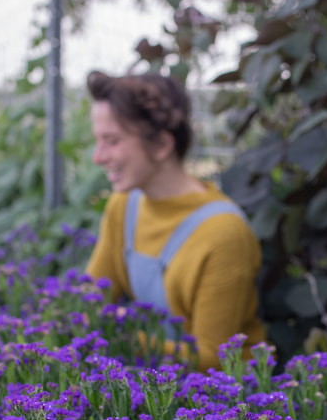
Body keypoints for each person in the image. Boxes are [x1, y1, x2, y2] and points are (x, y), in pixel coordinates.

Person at [82, 70, 266, 371]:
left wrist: (115, 335)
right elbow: (88, 299)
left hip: (223, 392)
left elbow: (213, 358)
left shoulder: (223, 234)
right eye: (98, 141)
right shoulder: (124, 205)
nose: (98, 157)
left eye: (111, 141)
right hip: (151, 378)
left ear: (161, 146)